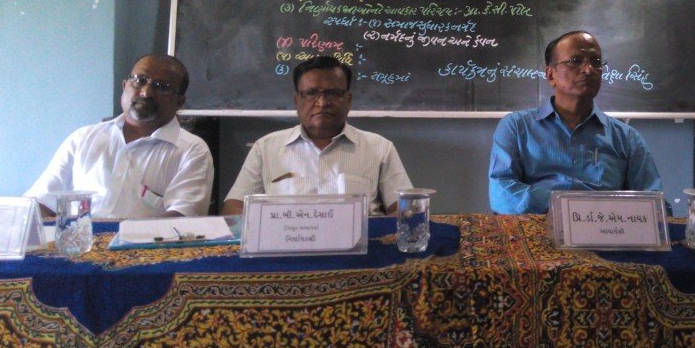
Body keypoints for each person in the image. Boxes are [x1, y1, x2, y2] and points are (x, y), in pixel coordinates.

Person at [488, 30, 663, 214]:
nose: (588, 70)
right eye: (575, 61)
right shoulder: (517, 127)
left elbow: (653, 204)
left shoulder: (627, 138)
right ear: (550, 76)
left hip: (607, 228)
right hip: (539, 225)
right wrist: (571, 207)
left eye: (596, 62)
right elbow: (502, 194)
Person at [25, 54, 213, 218]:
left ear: (179, 102)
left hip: (145, 247)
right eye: (140, 80)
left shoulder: (192, 151)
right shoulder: (83, 138)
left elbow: (182, 220)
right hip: (79, 244)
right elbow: (39, 203)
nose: (146, 92)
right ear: (124, 86)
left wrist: (121, 239)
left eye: (162, 87)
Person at [221, 56, 411, 217]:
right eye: (311, 93)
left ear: (348, 100)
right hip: (285, 244)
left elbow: (405, 208)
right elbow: (234, 207)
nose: (322, 102)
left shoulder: (380, 148)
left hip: (361, 247)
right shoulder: (266, 147)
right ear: (297, 100)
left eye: (333, 93)